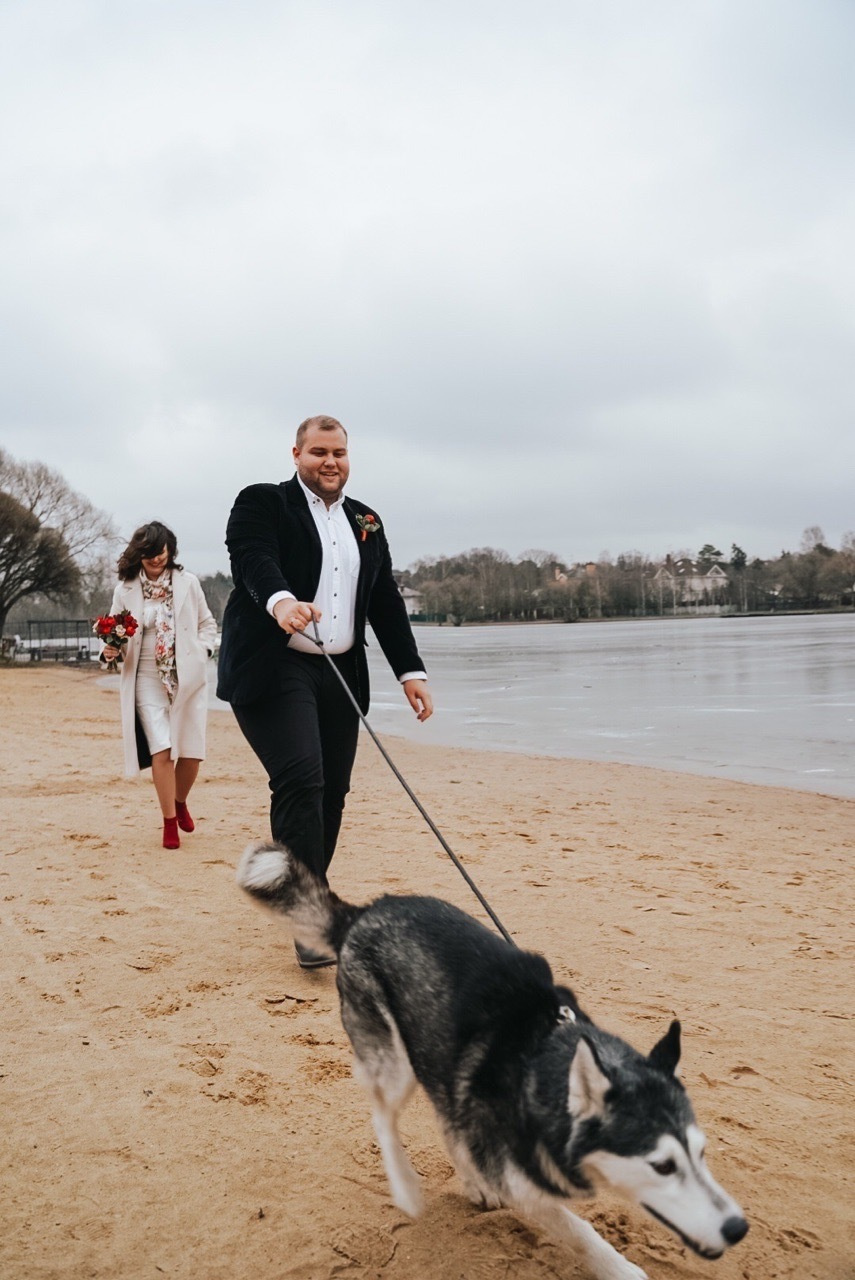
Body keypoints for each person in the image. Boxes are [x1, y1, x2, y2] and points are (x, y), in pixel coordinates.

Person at [217, 414, 433, 967]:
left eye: (338, 452)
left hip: (340, 671)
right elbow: (252, 560)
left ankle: (300, 888)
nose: (329, 461)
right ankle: (311, 922)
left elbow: (384, 600)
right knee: (301, 778)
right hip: (276, 666)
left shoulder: (367, 520)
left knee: (332, 789)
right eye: (318, 452)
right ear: (296, 454)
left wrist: (411, 673)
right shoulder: (262, 502)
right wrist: (282, 602)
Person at [101, 521, 218, 850]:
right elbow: (115, 634)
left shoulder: (189, 583)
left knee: (192, 752)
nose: (155, 559)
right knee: (162, 748)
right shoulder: (124, 589)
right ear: (139, 554)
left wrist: (203, 650)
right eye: (149, 554)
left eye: (160, 552)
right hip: (146, 677)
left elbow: (207, 623)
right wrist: (110, 648)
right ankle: (169, 821)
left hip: (187, 675)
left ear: (171, 551)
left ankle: (180, 801)